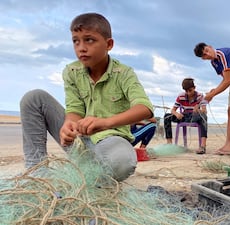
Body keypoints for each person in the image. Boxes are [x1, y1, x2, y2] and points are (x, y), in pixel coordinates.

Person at [19, 13, 153, 182]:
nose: (81, 47)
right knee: (34, 98)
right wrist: (69, 125)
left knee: (123, 162)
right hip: (79, 142)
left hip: (110, 140)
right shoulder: (71, 72)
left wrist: (105, 122)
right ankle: (36, 174)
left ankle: (95, 177)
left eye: (89, 40)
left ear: (109, 44)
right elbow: (75, 109)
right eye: (76, 41)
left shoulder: (124, 73)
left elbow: (145, 108)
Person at [163, 78, 208, 154]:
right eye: (186, 91)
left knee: (203, 117)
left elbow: (204, 111)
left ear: (194, 88)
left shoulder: (200, 96)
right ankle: (169, 144)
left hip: (195, 116)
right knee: (167, 116)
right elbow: (173, 110)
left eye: (190, 90)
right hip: (184, 116)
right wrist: (177, 114)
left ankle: (202, 146)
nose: (188, 93)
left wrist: (198, 110)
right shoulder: (181, 96)